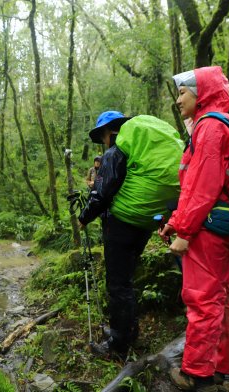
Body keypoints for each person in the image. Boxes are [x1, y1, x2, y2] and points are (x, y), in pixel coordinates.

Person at [159, 66, 229, 392]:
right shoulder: (211, 126)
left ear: (202, 93)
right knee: (223, 297)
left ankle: (197, 374)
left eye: (183, 92)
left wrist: (185, 233)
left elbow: (203, 187)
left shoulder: (209, 128)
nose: (178, 99)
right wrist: (175, 222)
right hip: (214, 224)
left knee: (202, 299)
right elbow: (195, 186)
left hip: (206, 229)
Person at [78, 110, 182, 356]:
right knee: (126, 280)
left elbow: (102, 193)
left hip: (122, 223)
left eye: (102, 136)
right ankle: (128, 329)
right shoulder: (139, 150)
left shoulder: (115, 152)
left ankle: (119, 343)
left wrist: (84, 218)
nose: (102, 142)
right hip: (144, 223)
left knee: (118, 284)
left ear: (106, 132)